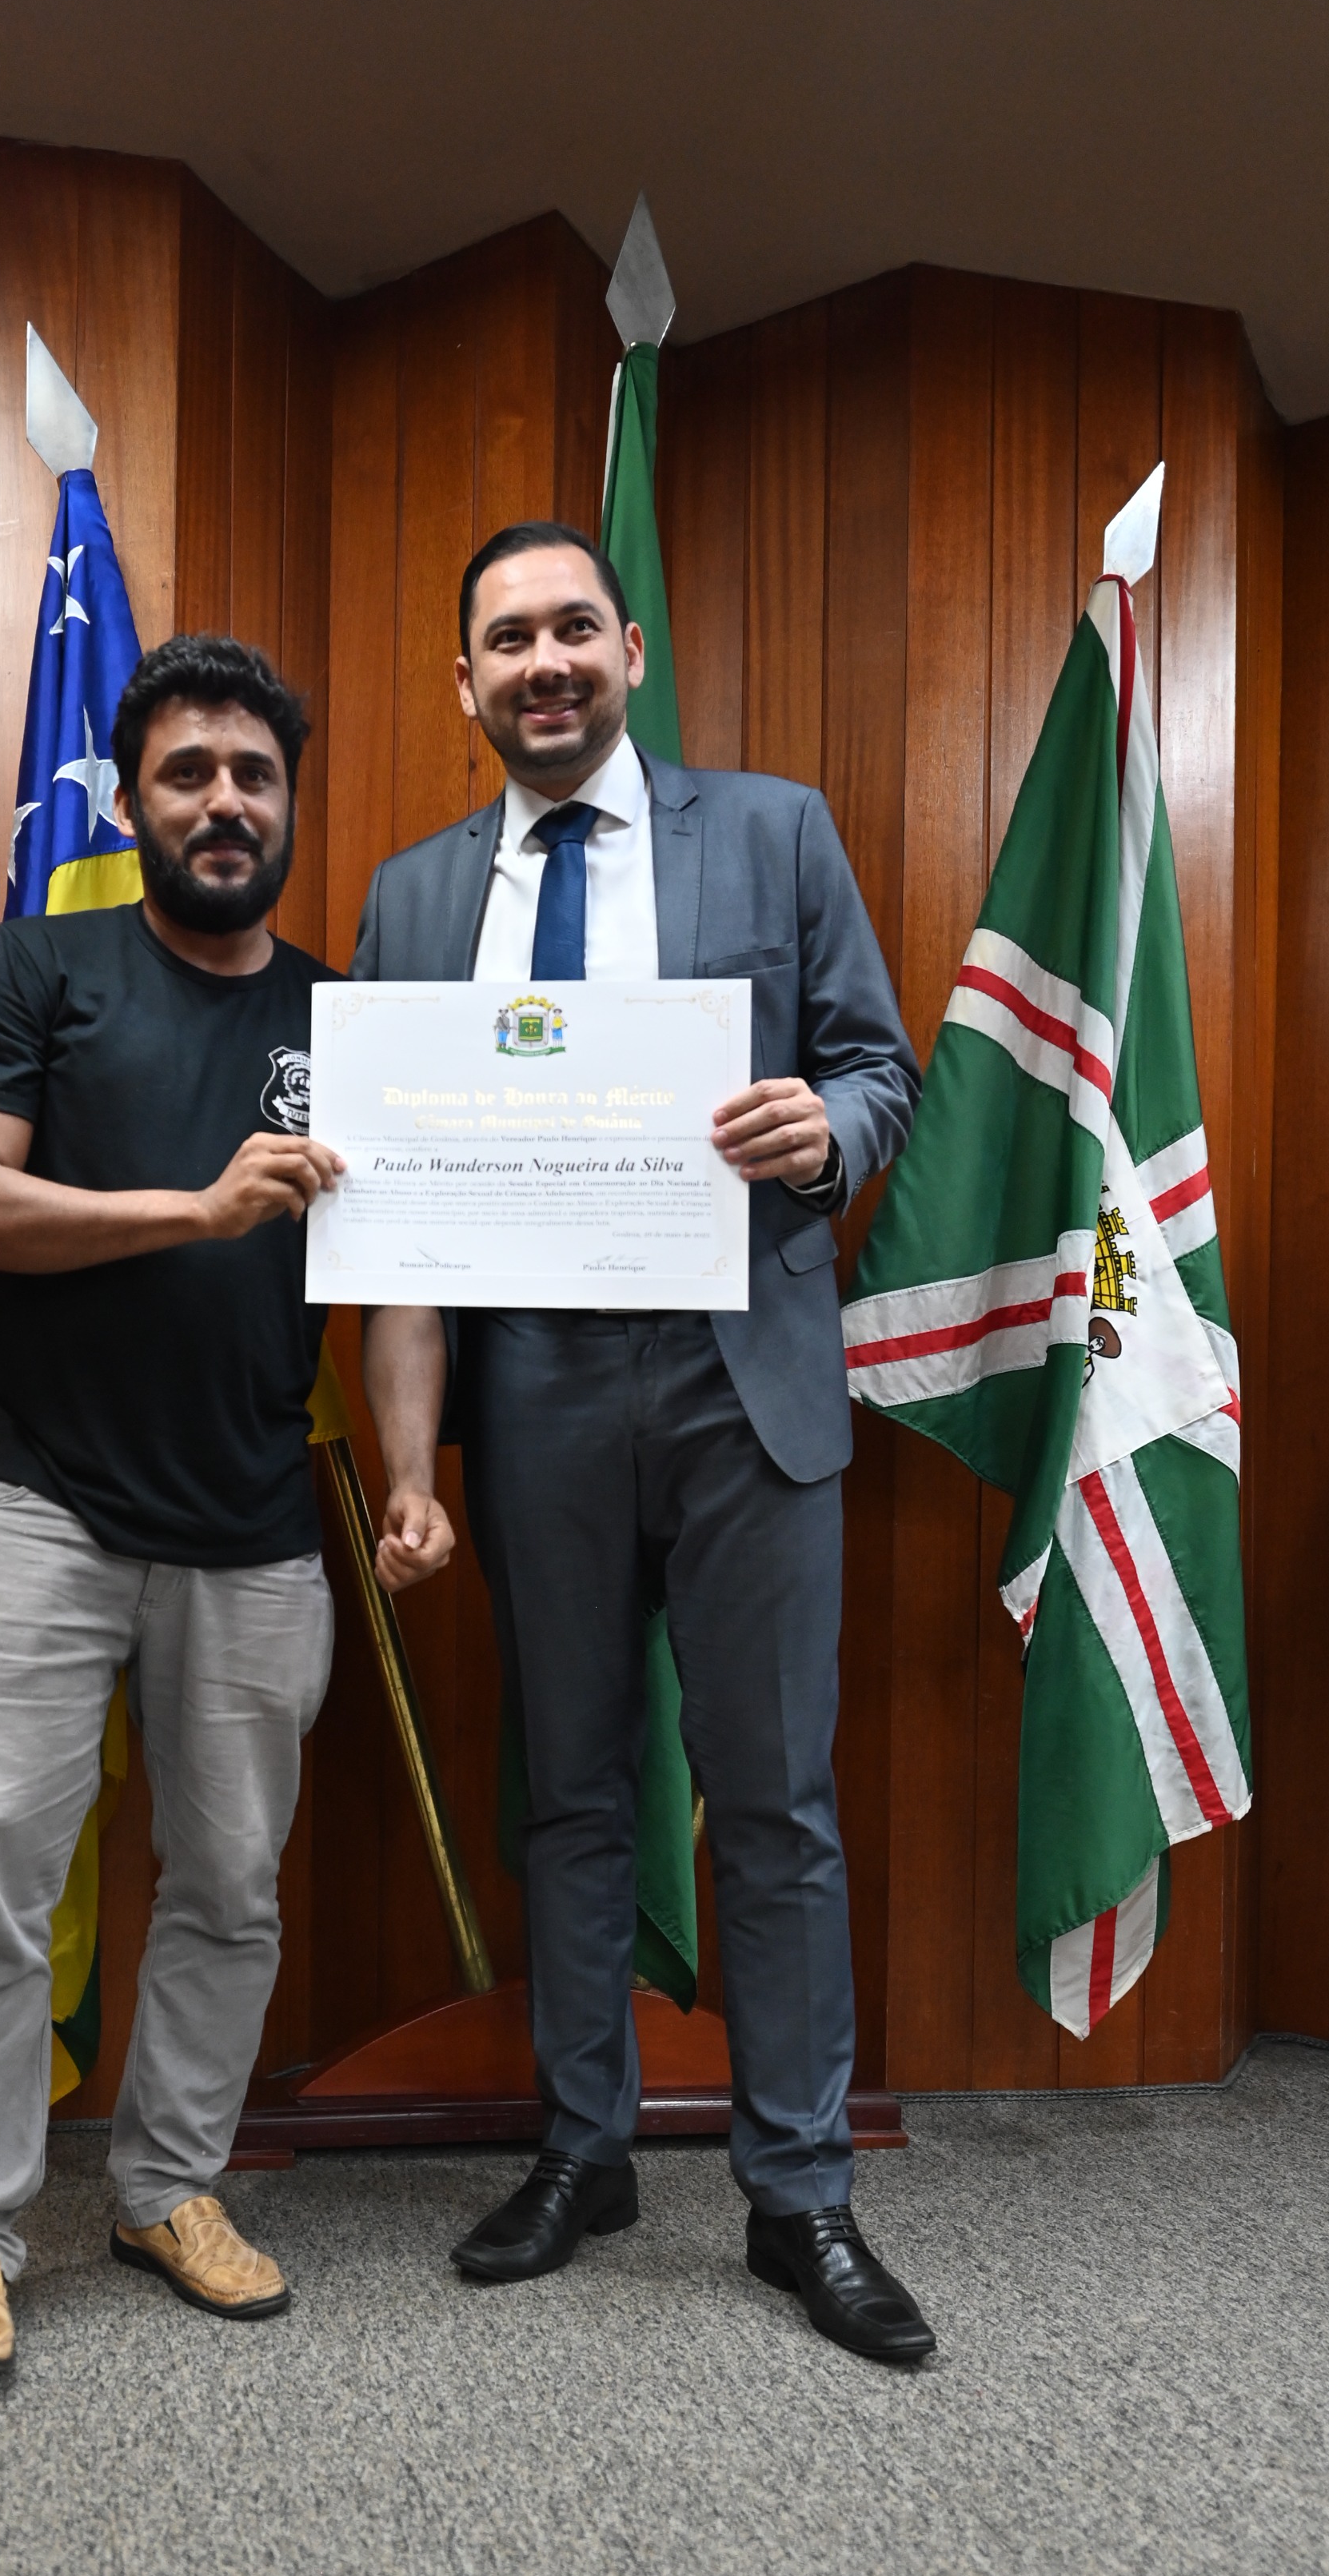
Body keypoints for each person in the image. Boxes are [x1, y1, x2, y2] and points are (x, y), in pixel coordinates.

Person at [357, 521, 936, 2363]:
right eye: (504, 640)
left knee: (773, 1800)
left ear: (625, 648)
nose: (541, 663)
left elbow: (883, 1068)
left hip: (738, 1378)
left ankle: (799, 2195)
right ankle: (581, 2148)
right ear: (463, 681)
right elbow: (393, 1208)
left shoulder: (772, 831)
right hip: (532, 1385)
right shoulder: (408, 901)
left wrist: (824, 1132)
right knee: (573, 1793)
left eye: (570, 630)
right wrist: (410, 1459)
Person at [0, 633, 342, 2385]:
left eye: (254, 776)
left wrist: (402, 1480)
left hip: (256, 1522)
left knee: (231, 1890)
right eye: (188, 773)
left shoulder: (348, 1020)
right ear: (135, 801)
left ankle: (168, 2191)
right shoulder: (36, 966)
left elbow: (399, 1280)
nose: (224, 802)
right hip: (40, 1508)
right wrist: (195, 1212)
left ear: (287, 805)